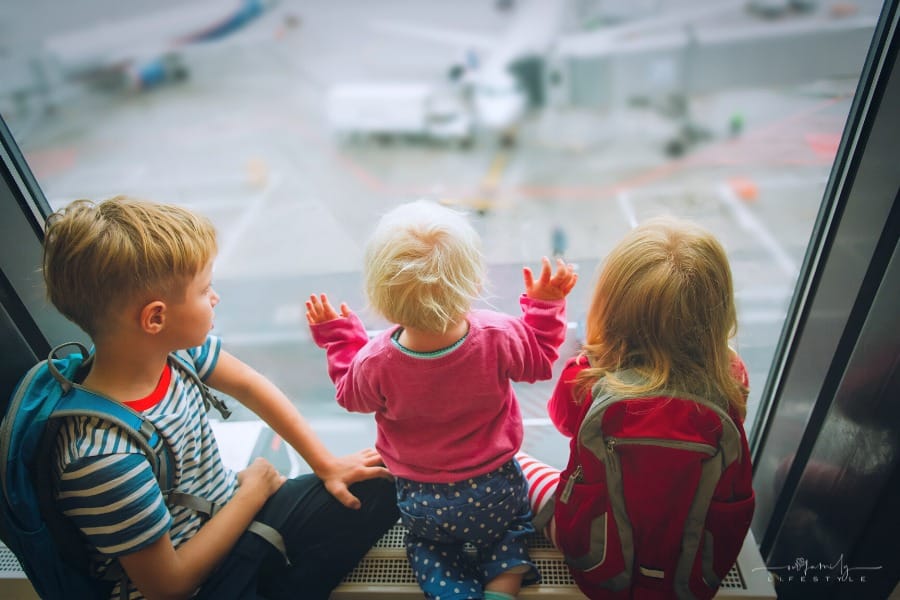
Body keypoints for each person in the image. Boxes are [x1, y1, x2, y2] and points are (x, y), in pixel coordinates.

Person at [41, 196, 399, 600]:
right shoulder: (102, 457)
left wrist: (327, 464)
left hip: (234, 520)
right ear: (155, 318)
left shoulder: (172, 353)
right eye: (204, 289)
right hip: (203, 581)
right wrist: (252, 492)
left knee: (390, 476)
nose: (215, 298)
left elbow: (250, 384)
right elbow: (168, 586)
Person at [305, 200, 578, 600]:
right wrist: (544, 306)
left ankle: (454, 591)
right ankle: (502, 586)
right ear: (472, 281)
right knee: (509, 533)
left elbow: (351, 395)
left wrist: (341, 337)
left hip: (423, 499)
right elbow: (538, 361)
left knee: (432, 551)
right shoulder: (498, 335)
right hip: (496, 489)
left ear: (381, 296)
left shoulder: (376, 360)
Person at [518, 216, 753, 549]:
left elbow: (561, 420)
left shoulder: (586, 379)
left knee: (515, 462)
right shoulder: (730, 375)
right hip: (692, 554)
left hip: (598, 549)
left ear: (609, 311)